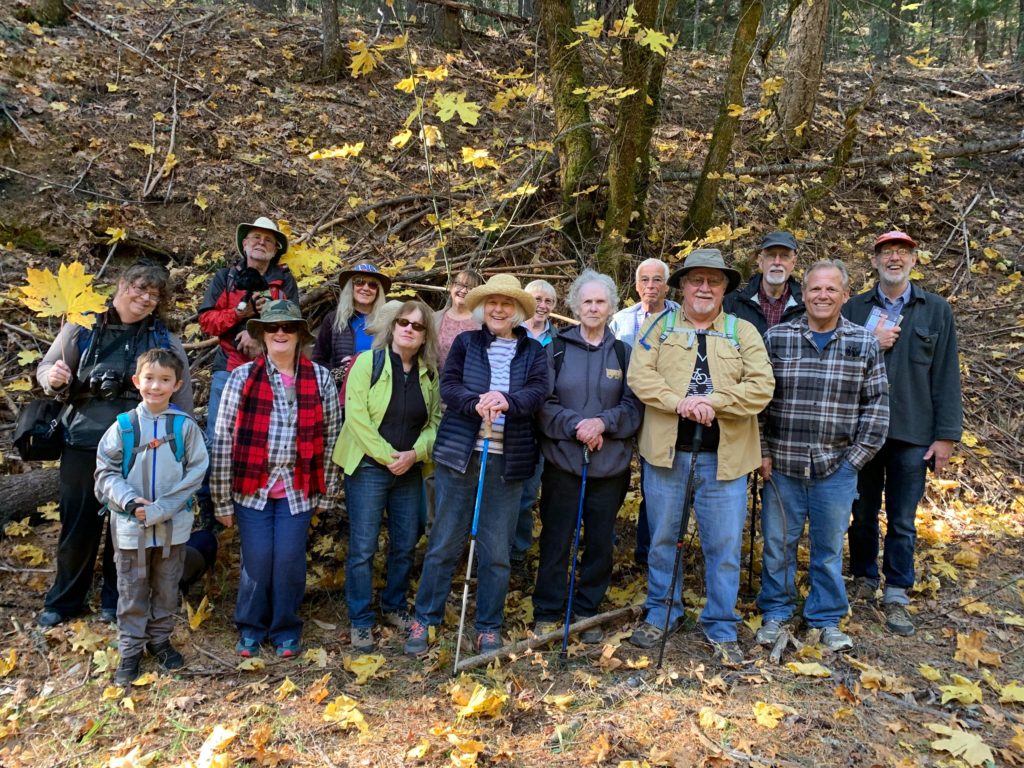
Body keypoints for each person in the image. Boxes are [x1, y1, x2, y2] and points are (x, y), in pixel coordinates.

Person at [627, 249, 774, 664]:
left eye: (714, 281)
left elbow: (762, 385)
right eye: (696, 280)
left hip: (726, 461)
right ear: (684, 286)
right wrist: (680, 403)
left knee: (723, 545)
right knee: (662, 540)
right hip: (667, 455)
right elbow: (640, 374)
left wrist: (714, 401)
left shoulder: (743, 332)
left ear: (725, 288)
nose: (704, 288)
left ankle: (721, 624)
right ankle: (663, 611)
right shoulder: (660, 326)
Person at [36, 262, 194, 628]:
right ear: (120, 285)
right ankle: (64, 600)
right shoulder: (83, 325)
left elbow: (181, 395)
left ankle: (115, 598)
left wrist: (180, 444)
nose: (145, 298)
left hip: (139, 446)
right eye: (139, 288)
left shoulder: (163, 340)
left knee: (127, 525)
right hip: (84, 439)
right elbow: (47, 370)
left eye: (153, 295)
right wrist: (55, 379)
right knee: (78, 523)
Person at [404, 274, 549, 656]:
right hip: (460, 456)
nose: (499, 310)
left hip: (508, 459)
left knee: (496, 550)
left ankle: (488, 626)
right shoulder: (467, 343)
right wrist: (476, 402)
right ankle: (426, 618)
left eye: (507, 304)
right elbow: (449, 386)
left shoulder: (532, 350)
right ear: (484, 308)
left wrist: (507, 401)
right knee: (444, 541)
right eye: (493, 304)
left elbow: (538, 392)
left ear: (517, 310)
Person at [756, 260, 889, 652]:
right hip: (782, 465)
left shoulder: (863, 343)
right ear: (805, 294)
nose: (822, 296)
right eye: (815, 289)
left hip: (837, 468)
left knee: (828, 550)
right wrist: (762, 452)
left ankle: (826, 618)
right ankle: (777, 612)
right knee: (778, 544)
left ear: (845, 296)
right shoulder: (777, 338)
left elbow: (877, 406)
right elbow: (759, 402)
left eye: (832, 289)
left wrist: (854, 461)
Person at [842, 231, 963, 636]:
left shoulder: (935, 310)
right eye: (887, 253)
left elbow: (946, 374)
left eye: (903, 253)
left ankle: (896, 589)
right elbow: (837, 364)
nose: (895, 259)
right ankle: (862, 578)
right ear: (873, 261)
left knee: (902, 519)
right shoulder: (855, 308)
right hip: (860, 431)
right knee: (860, 513)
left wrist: (946, 435)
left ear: (914, 260)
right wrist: (869, 343)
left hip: (913, 433)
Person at [211, 300, 341, 658]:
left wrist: (328, 491)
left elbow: (332, 436)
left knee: (288, 559)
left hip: (299, 488)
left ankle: (285, 628)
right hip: (252, 487)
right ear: (262, 335)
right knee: (257, 558)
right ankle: (251, 627)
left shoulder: (320, 377)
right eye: (272, 328)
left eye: (288, 327)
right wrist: (221, 499)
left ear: (300, 334)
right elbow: (223, 439)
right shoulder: (241, 378)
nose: (280, 333)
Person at [532, 271, 641, 644]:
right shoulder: (555, 350)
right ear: (576, 306)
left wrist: (602, 424)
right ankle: (547, 611)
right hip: (563, 462)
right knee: (556, 539)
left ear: (611, 307)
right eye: (587, 302)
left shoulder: (625, 353)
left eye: (600, 302)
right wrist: (577, 425)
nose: (593, 308)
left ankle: (587, 611)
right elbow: (542, 403)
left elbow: (633, 406)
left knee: (599, 541)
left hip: (609, 466)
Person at [94, 349, 209, 685]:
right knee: (131, 588)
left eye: (164, 380)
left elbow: (195, 472)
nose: (155, 386)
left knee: (166, 587)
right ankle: (130, 649)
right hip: (131, 528)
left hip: (173, 529)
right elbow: (105, 471)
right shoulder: (124, 427)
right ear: (136, 381)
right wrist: (130, 501)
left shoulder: (185, 428)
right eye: (149, 378)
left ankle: (159, 640)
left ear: (177, 384)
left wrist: (161, 508)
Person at [333, 300, 441, 652]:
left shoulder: (430, 374)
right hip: (367, 466)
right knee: (363, 548)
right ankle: (361, 619)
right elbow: (357, 416)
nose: (409, 328)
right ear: (392, 327)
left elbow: (436, 423)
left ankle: (393, 606)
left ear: (425, 335)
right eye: (403, 322)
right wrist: (388, 456)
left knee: (405, 543)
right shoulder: (368, 363)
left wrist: (414, 454)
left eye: (418, 325)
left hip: (409, 470)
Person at [197, 217, 298, 523]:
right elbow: (206, 321)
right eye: (255, 238)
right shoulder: (225, 277)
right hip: (228, 366)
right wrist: (242, 312)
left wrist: (258, 336)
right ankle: (212, 512)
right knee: (219, 438)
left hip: (271, 368)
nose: (260, 243)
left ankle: (256, 506)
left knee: (268, 439)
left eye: (268, 240)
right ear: (244, 243)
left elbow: (293, 321)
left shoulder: (284, 280)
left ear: (276, 249)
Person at [608, 258, 680, 569]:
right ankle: (606, 538)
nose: (651, 286)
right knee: (613, 472)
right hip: (623, 405)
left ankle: (648, 548)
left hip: (661, 408)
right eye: (645, 281)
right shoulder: (621, 320)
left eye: (657, 281)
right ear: (636, 286)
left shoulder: (681, 318)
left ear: (666, 286)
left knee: (656, 478)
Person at [510, 279, 560, 581]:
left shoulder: (560, 340)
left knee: (527, 494)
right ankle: (491, 551)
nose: (542, 306)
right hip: (509, 422)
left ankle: (517, 552)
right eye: (537, 299)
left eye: (549, 302)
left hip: (542, 427)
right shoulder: (510, 332)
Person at [312, 262, 391, 382]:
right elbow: (318, 361)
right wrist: (339, 372)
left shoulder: (388, 322)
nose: (365, 288)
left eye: (372, 284)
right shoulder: (333, 320)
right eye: (359, 281)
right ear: (351, 287)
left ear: (378, 291)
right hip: (343, 393)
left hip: (379, 391)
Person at [723, 231, 805, 336]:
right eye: (771, 255)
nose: (777, 262)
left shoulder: (805, 306)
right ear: (760, 261)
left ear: (793, 263)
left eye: (784, 256)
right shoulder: (734, 303)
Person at [435, 270, 484, 368]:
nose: (464, 290)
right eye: (460, 284)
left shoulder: (483, 322)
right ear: (451, 287)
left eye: (470, 287)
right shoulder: (434, 318)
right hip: (436, 381)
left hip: (470, 381)